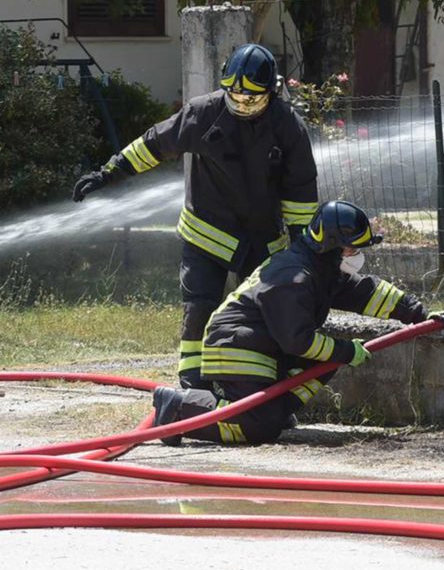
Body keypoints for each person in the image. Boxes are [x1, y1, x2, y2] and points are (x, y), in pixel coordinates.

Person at [73, 43, 319, 388]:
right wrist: (108, 172)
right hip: (207, 232)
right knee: (199, 306)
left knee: (266, 308)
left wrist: (302, 245)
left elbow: (301, 189)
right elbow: (155, 144)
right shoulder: (203, 113)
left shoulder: (287, 126)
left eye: (252, 100)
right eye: (235, 97)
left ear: (271, 93)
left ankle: (260, 384)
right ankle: (192, 384)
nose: (242, 104)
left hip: (261, 236)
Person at [149, 200, 428, 445]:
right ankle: (179, 406)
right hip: (238, 344)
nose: (357, 255)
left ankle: (274, 411)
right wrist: (345, 350)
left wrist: (418, 313)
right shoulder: (294, 277)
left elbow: (365, 292)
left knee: (319, 367)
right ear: (333, 244)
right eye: (352, 249)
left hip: (264, 344)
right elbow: (298, 341)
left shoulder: (320, 268)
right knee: (255, 426)